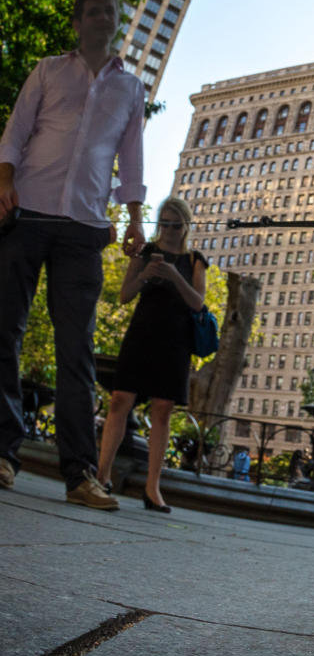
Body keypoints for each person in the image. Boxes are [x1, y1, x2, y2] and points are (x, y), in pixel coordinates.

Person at [0, 0, 145, 508]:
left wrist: (134, 220)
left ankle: (80, 473)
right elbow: (16, 131)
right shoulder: (47, 70)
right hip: (28, 212)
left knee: (77, 352)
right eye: (94, 10)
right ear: (78, 21)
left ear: (116, 20)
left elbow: (130, 159)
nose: (104, 16)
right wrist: (4, 184)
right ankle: (3, 453)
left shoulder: (130, 88)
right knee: (4, 331)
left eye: (111, 10)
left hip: (85, 227)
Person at [96, 197, 208, 511]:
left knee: (162, 410)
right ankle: (102, 476)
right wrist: (146, 274)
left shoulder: (195, 259)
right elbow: (124, 295)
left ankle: (152, 487)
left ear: (186, 225)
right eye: (164, 223)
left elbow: (198, 303)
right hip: (141, 334)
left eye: (176, 224)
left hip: (175, 342)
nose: (170, 230)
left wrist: (173, 275)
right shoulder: (146, 252)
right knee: (119, 400)